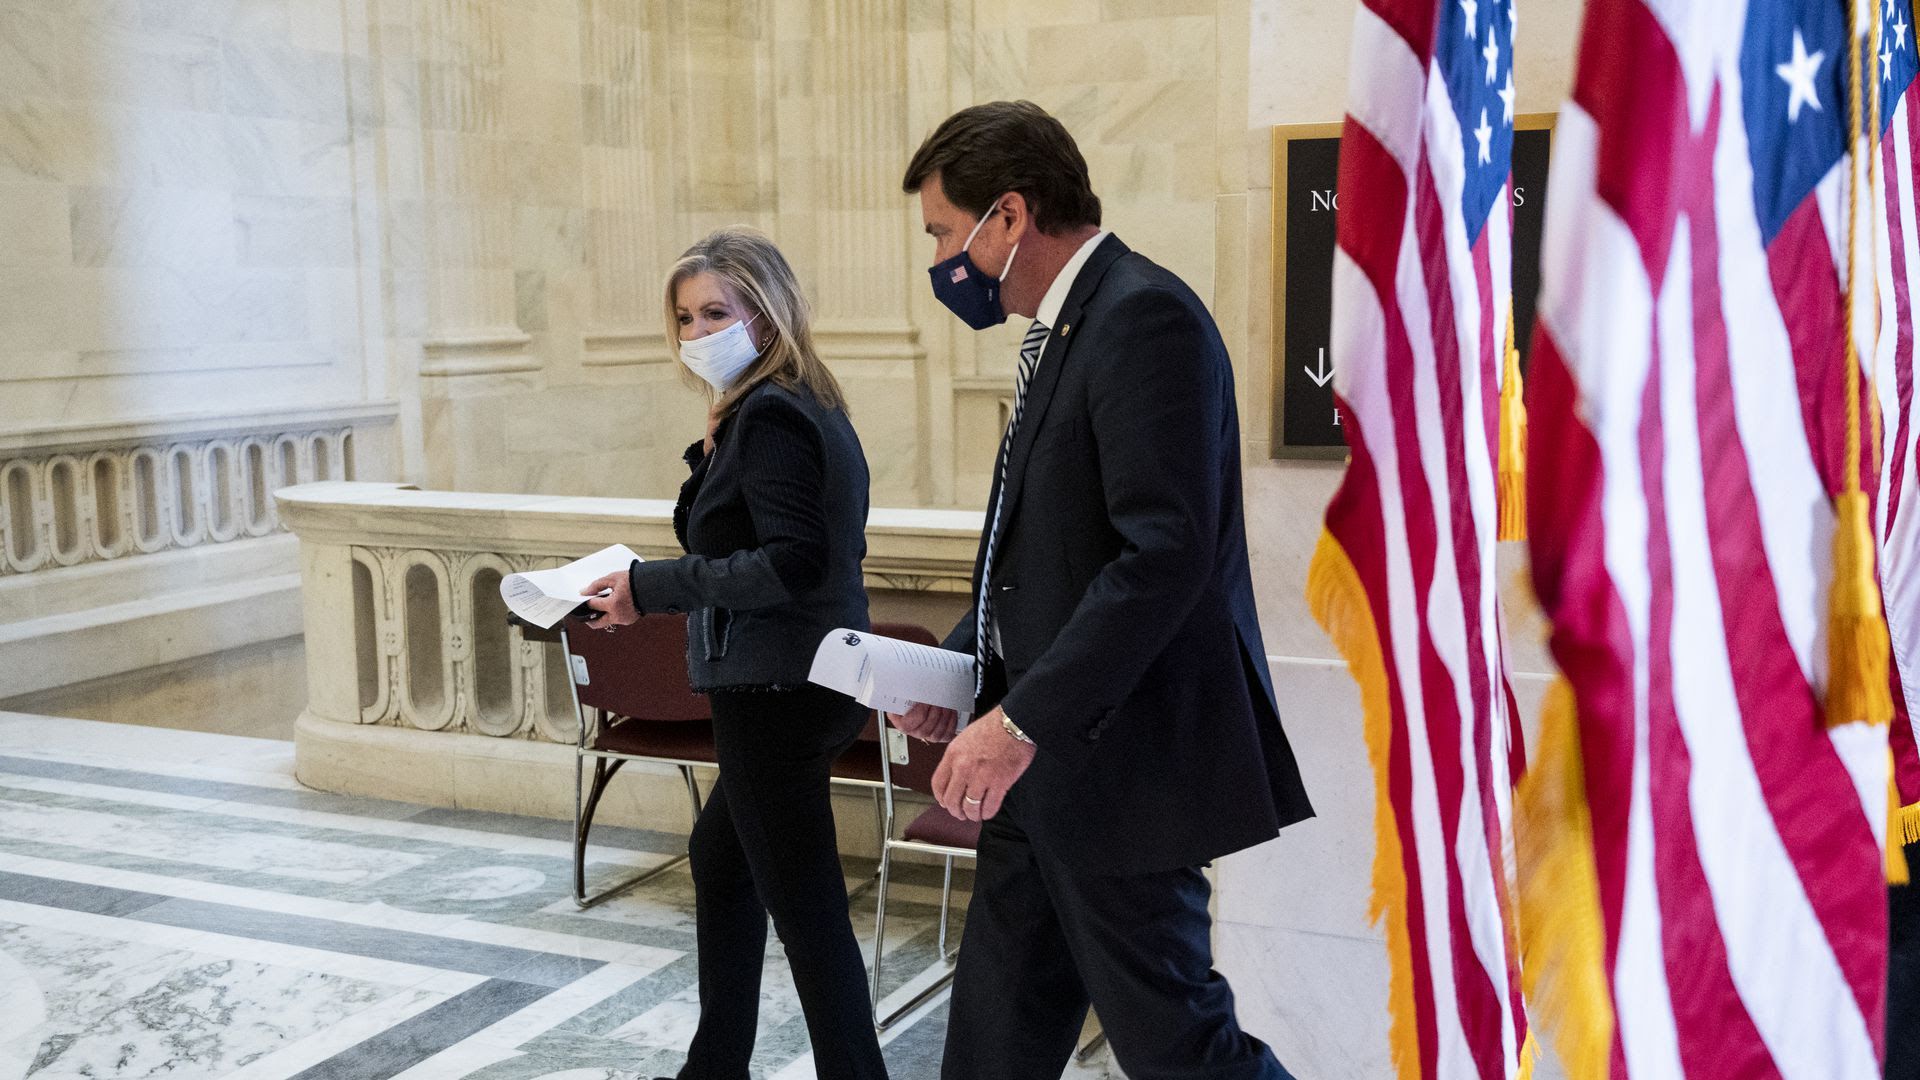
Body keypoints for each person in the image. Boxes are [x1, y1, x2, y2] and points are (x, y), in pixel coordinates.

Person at [888, 101, 1314, 1080]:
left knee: (1182, 1053)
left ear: (1008, 217)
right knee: (994, 1049)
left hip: (1117, 775)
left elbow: (1160, 558)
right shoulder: (1072, 325)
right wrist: (961, 670)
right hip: (1040, 784)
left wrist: (1021, 718)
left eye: (944, 234)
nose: (942, 261)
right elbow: (1042, 558)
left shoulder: (1140, 317)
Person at [580, 227, 887, 1080]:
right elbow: (727, 528)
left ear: (766, 310)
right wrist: (711, 450)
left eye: (715, 311)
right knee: (723, 863)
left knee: (809, 913)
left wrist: (649, 588)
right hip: (805, 681)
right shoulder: (785, 406)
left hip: (775, 686)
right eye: (683, 317)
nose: (695, 332)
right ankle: (715, 1065)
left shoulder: (777, 415)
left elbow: (793, 562)